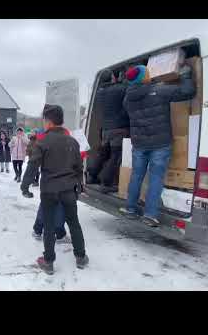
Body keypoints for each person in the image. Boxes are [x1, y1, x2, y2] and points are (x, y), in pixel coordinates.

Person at [120, 64, 195, 227]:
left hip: (139, 143)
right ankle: (150, 214)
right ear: (144, 77)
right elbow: (188, 92)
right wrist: (186, 75)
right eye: (147, 73)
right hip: (160, 144)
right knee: (156, 178)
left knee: (137, 176)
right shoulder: (159, 91)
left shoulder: (127, 99)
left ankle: (130, 209)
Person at [21, 105, 88, 274]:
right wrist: (79, 185)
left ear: (48, 122)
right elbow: (79, 167)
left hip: (49, 190)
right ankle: (81, 257)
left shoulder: (42, 142)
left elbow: (32, 166)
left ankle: (49, 261)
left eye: (44, 120)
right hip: (68, 190)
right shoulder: (72, 142)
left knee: (49, 225)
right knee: (74, 222)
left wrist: (25, 185)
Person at [86, 69, 130, 193]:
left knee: (104, 153)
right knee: (116, 156)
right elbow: (128, 87)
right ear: (112, 78)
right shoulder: (120, 89)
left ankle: (92, 175)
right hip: (119, 129)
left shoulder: (99, 92)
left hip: (106, 130)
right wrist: (125, 79)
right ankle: (106, 181)